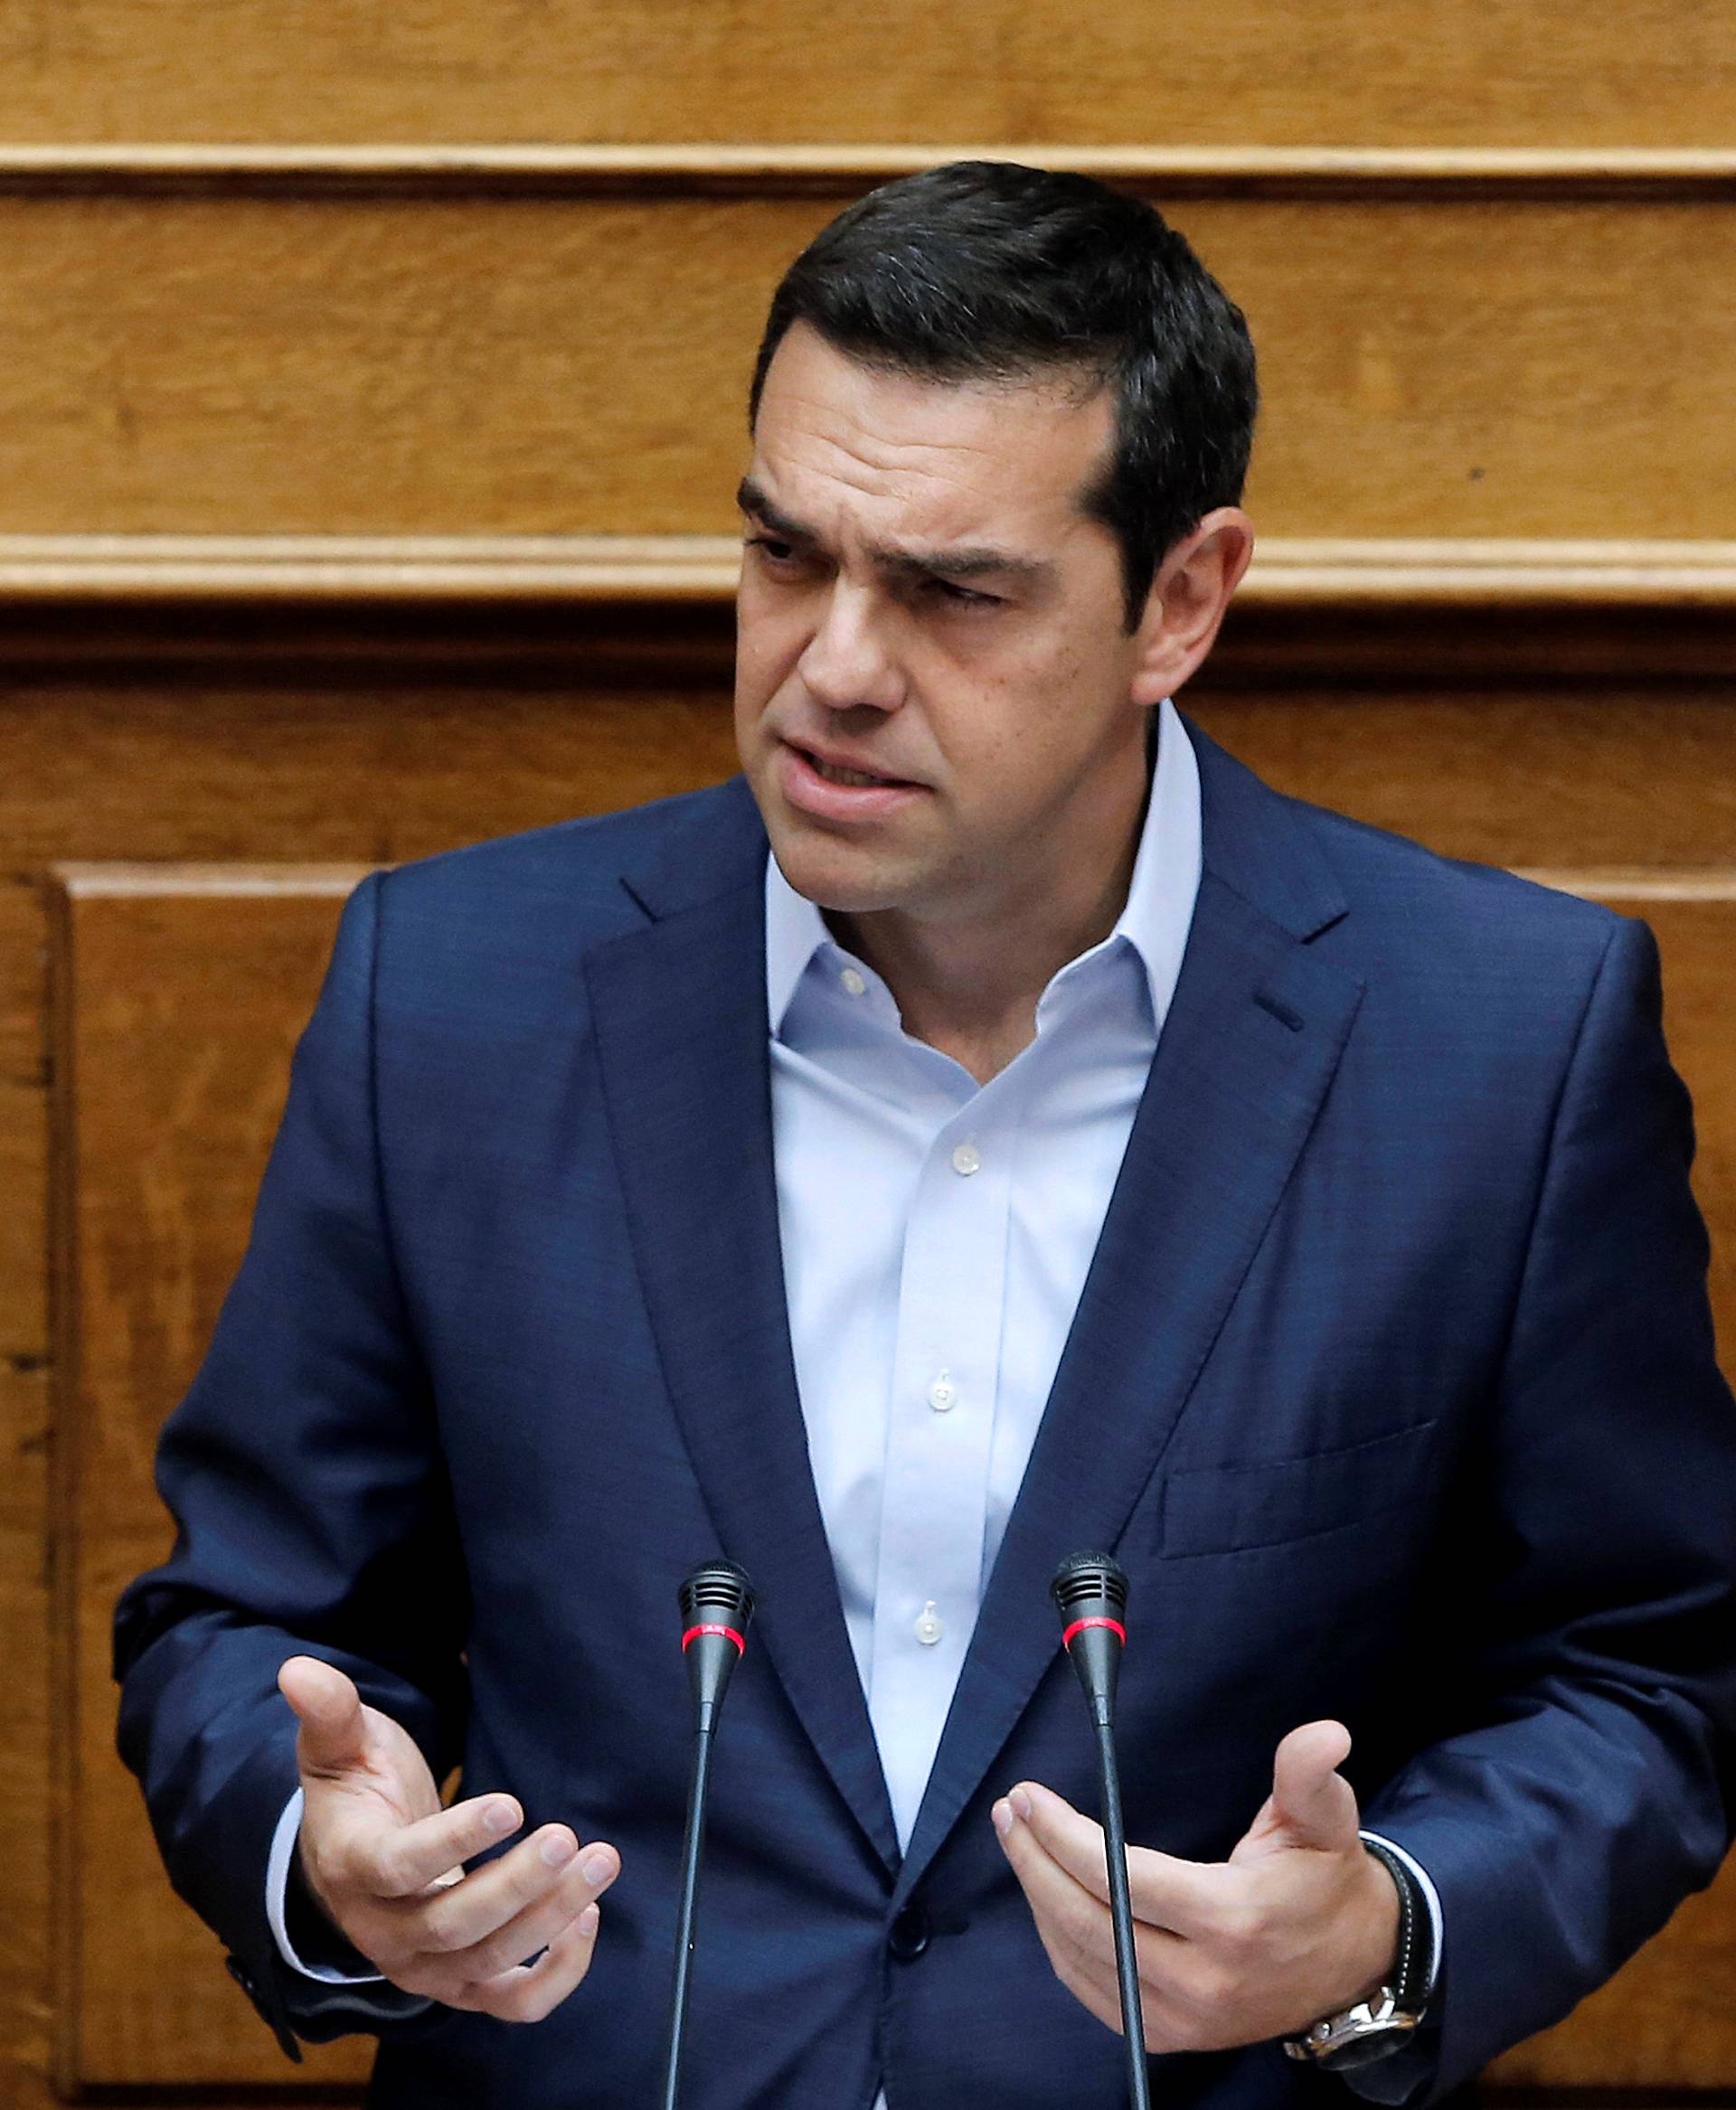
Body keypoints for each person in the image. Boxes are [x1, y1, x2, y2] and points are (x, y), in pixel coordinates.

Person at [114, 161, 1736, 2109]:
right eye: (787, 557)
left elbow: (1647, 1671)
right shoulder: (452, 996)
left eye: (955, 591)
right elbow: (248, 1617)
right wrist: (330, 1859)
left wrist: (1389, 1924)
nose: (837, 668)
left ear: (1181, 602)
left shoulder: (1499, 1042)